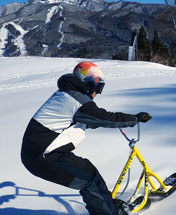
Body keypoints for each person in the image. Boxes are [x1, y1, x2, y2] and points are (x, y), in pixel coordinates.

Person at [21, 62, 152, 215]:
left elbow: (76, 121)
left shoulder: (67, 95)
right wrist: (135, 118)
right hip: (43, 157)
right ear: (88, 84)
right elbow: (105, 117)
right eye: (98, 88)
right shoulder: (75, 100)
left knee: (88, 174)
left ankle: (105, 207)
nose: (98, 93)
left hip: (42, 153)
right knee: (90, 179)